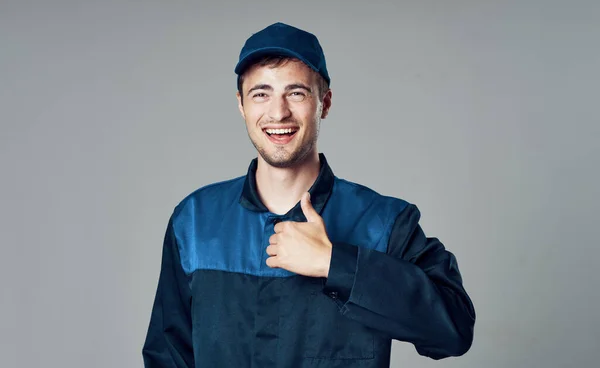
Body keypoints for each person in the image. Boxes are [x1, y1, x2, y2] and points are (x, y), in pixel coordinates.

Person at [142, 22, 475, 368]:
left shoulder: (386, 223)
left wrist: (336, 264)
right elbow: (168, 356)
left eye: (296, 93)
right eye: (261, 94)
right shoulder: (195, 222)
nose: (278, 112)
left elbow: (454, 330)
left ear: (324, 103)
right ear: (241, 105)